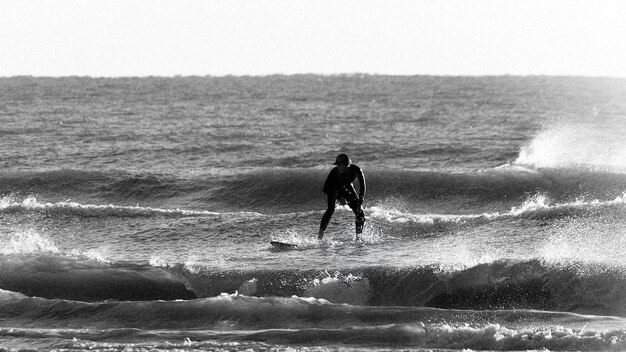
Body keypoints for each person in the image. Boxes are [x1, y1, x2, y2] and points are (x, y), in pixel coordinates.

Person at [318, 153, 366, 240]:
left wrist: (361, 200)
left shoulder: (356, 170)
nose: (341, 168)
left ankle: (358, 238)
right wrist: (339, 198)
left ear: (348, 165)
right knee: (330, 209)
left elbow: (362, 186)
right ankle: (320, 236)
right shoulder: (334, 172)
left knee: (360, 213)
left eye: (343, 166)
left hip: (347, 187)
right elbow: (326, 188)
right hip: (332, 188)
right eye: (339, 166)